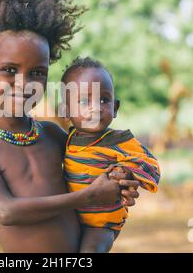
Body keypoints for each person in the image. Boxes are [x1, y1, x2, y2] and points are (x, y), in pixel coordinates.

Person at [0, 0, 141, 252]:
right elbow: (5, 211)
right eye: (9, 70)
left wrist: (121, 182)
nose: (24, 83)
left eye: (37, 73)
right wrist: (89, 196)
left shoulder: (53, 135)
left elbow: (96, 172)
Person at [60, 56, 161, 252]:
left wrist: (128, 173)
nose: (95, 107)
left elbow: (152, 165)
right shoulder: (67, 140)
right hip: (71, 218)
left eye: (103, 99)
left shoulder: (119, 140)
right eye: (82, 100)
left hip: (101, 224)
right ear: (66, 111)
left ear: (115, 108)